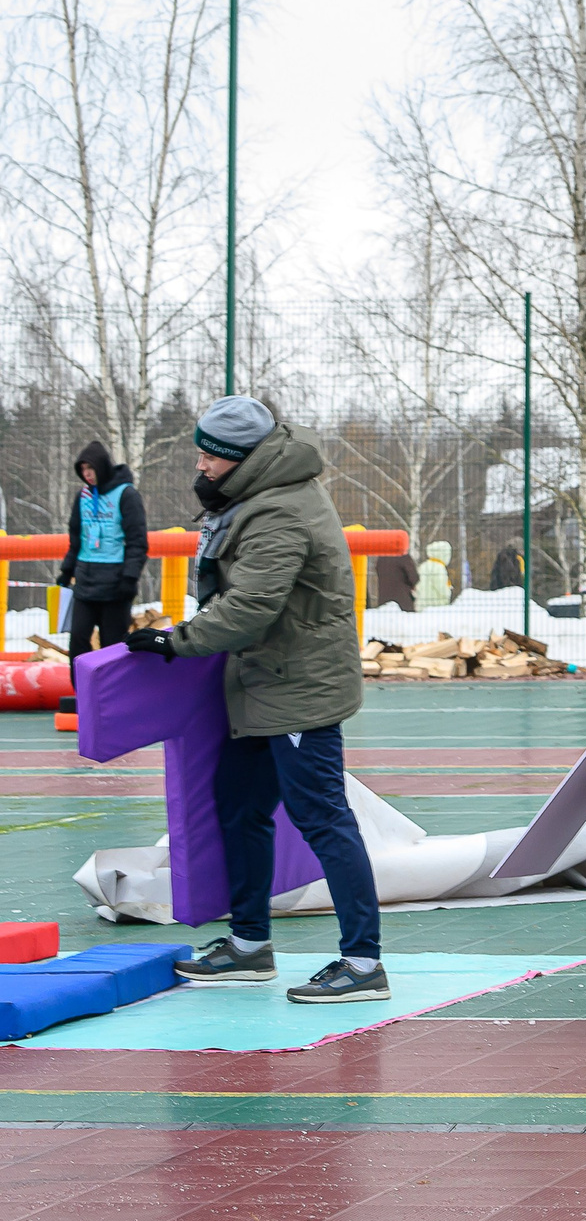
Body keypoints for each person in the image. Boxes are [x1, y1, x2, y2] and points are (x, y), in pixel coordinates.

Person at [137, 398, 387, 1003]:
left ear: (242, 457)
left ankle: (363, 964)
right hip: (259, 683)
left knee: (323, 818)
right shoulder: (255, 494)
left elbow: (250, 606)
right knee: (239, 808)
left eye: (210, 455)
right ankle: (250, 946)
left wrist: (177, 641)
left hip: (297, 688)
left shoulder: (280, 509)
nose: (200, 464)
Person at [56, 440, 148, 673]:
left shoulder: (126, 495)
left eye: (91, 468)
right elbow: (76, 539)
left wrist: (130, 578)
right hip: (85, 582)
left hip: (116, 584)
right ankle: (80, 689)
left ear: (102, 466)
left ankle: (113, 691)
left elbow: (137, 541)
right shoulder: (83, 497)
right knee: (78, 640)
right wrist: (67, 571)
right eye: (83, 470)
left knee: (112, 646)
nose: (87, 474)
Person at [416, 540, 454, 609]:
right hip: (436, 606)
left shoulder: (423, 566)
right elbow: (442, 587)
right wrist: (448, 593)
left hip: (422, 605)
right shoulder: (439, 568)